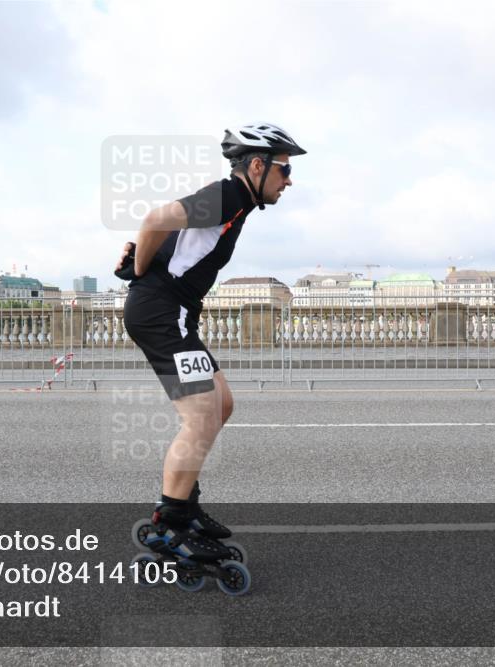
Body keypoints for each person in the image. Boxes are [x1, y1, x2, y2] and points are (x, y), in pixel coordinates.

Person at [115, 123, 305, 561]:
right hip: (163, 314)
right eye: (284, 169)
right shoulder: (229, 195)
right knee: (200, 417)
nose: (289, 180)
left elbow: (172, 236)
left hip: (175, 313)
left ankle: (187, 503)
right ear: (257, 166)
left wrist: (143, 259)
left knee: (221, 404)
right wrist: (143, 271)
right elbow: (155, 220)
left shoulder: (235, 203)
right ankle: (171, 523)